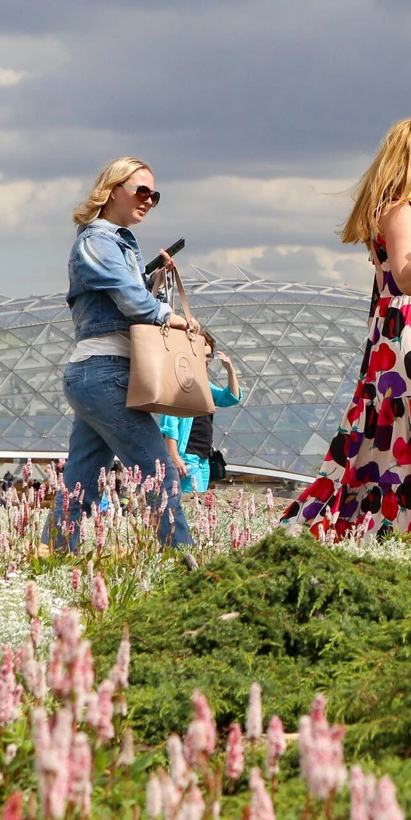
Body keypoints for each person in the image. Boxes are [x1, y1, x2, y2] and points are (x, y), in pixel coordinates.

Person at [281, 118, 411, 547]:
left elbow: (403, 278)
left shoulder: (406, 212)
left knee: (394, 438)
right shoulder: (400, 212)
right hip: (409, 349)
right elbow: (407, 278)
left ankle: (383, 530)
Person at [56, 156, 201, 548]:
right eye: (141, 191)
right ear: (112, 189)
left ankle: (52, 559)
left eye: (154, 195)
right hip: (104, 373)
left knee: (80, 484)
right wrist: (172, 316)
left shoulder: (118, 243)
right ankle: (182, 566)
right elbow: (133, 304)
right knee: (160, 471)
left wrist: (154, 281)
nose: (148, 200)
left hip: (101, 374)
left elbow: (129, 298)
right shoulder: (97, 240)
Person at [163, 341, 242, 493]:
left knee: (200, 503)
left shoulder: (203, 384)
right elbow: (169, 423)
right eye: (203, 355)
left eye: (209, 355)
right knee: (193, 501)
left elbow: (231, 398)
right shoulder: (178, 382)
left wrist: (230, 370)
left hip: (203, 456)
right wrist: (174, 455)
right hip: (187, 454)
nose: (208, 360)